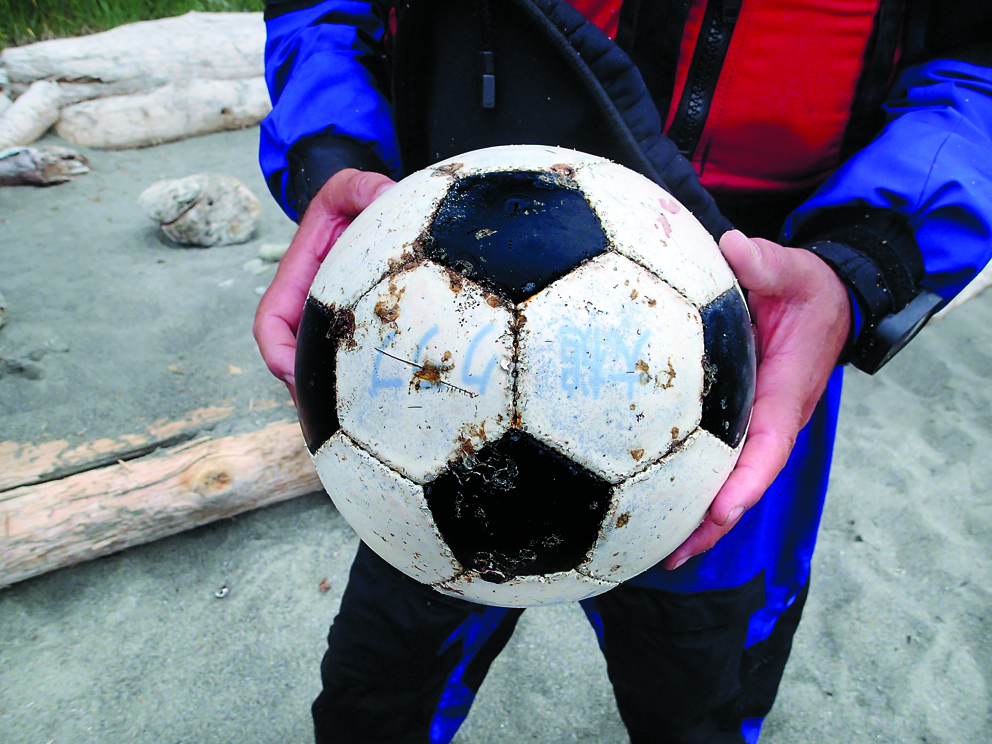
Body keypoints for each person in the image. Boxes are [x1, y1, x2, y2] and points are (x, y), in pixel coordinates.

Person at [254, 1, 992, 741]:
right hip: (447, 283)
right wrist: (336, 153)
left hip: (758, 331)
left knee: (702, 691)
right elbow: (323, 12)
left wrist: (861, 260)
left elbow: (976, 69)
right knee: (378, 691)